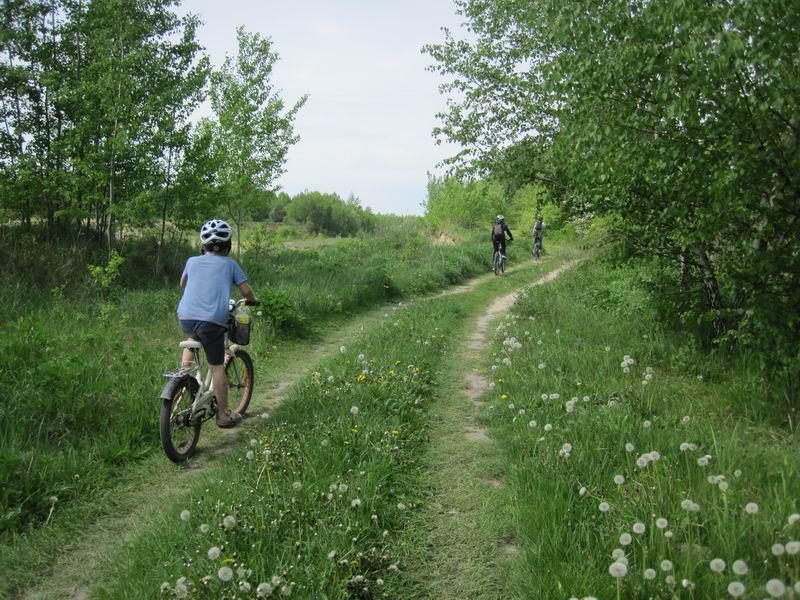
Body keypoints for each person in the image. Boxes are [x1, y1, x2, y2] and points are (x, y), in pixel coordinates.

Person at [177, 219, 259, 428]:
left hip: (186, 317)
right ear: (228, 246)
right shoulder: (230, 264)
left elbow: (182, 284)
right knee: (217, 368)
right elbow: (246, 291)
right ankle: (223, 415)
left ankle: (183, 378)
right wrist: (253, 300)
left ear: (202, 246)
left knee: (192, 338)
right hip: (212, 322)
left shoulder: (191, 261)